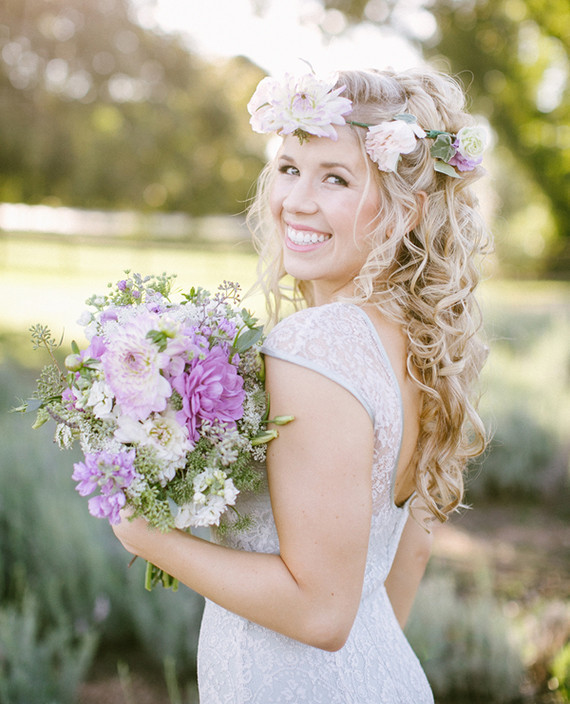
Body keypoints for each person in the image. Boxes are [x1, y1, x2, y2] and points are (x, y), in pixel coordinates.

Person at [112, 67, 491, 703]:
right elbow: (408, 558)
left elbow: (320, 613)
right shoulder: (422, 347)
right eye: (289, 168)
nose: (296, 200)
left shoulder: (315, 347)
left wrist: (146, 536)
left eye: (335, 178)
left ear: (407, 210)